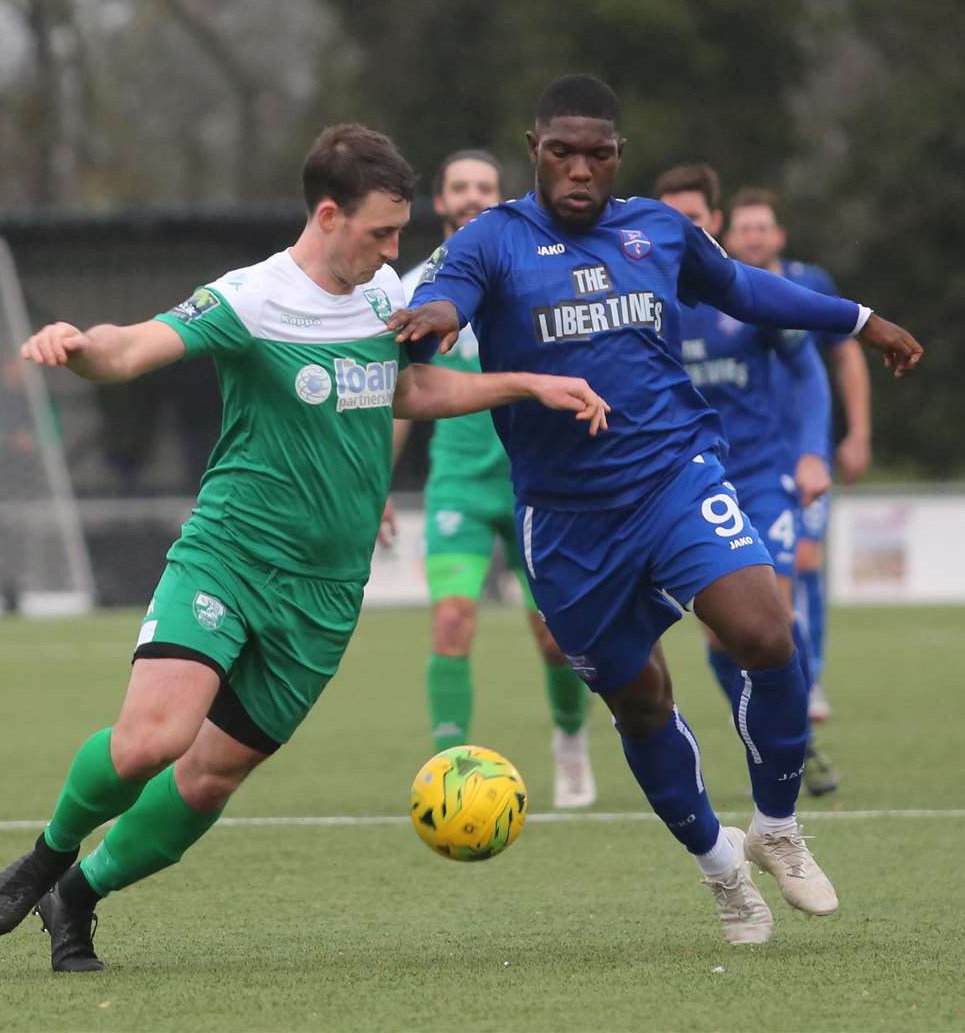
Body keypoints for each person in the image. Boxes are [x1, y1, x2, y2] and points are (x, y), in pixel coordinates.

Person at [0, 124, 609, 973]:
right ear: (327, 213)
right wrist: (80, 348)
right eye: (381, 232)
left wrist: (526, 384)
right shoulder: (251, 296)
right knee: (152, 741)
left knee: (208, 781)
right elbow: (132, 348)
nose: (395, 250)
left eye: (399, 234)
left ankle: (77, 896)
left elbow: (408, 387)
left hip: (325, 593)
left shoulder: (385, 291)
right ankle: (48, 854)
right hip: (231, 557)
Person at [390, 75, 921, 946]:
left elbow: (748, 291)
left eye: (597, 154)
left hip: (675, 476)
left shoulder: (658, 230)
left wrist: (858, 318)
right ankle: (721, 869)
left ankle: (779, 828)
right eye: (561, 151)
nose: (578, 169)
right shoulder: (493, 239)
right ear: (535, 150)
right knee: (641, 701)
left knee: (765, 633)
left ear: (617, 157)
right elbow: (455, 293)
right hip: (567, 521)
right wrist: (438, 317)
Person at [386, 148, 596, 807]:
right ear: (442, 202)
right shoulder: (415, 288)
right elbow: (398, 392)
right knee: (451, 621)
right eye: (460, 187)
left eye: (485, 187)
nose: (473, 196)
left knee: (556, 639)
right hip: (459, 487)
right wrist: (376, 485)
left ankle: (569, 743)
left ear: (501, 197)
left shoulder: (535, 270)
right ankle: (448, 774)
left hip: (539, 483)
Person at [654, 164, 838, 796]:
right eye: (669, 218)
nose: (681, 231)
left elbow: (810, 374)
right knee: (719, 631)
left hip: (762, 474)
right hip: (692, 481)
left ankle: (795, 739)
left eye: (694, 220)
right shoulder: (641, 300)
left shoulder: (742, 291)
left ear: (715, 224)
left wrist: (814, 453)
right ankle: (773, 732)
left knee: (772, 613)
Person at [723, 187, 874, 723]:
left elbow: (844, 356)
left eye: (763, 226)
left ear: (779, 235)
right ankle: (773, 683)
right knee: (750, 580)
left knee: (806, 559)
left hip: (802, 452)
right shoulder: (718, 290)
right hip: (743, 456)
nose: (755, 236)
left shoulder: (809, 284)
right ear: (729, 236)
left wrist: (855, 433)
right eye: (746, 228)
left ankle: (809, 682)